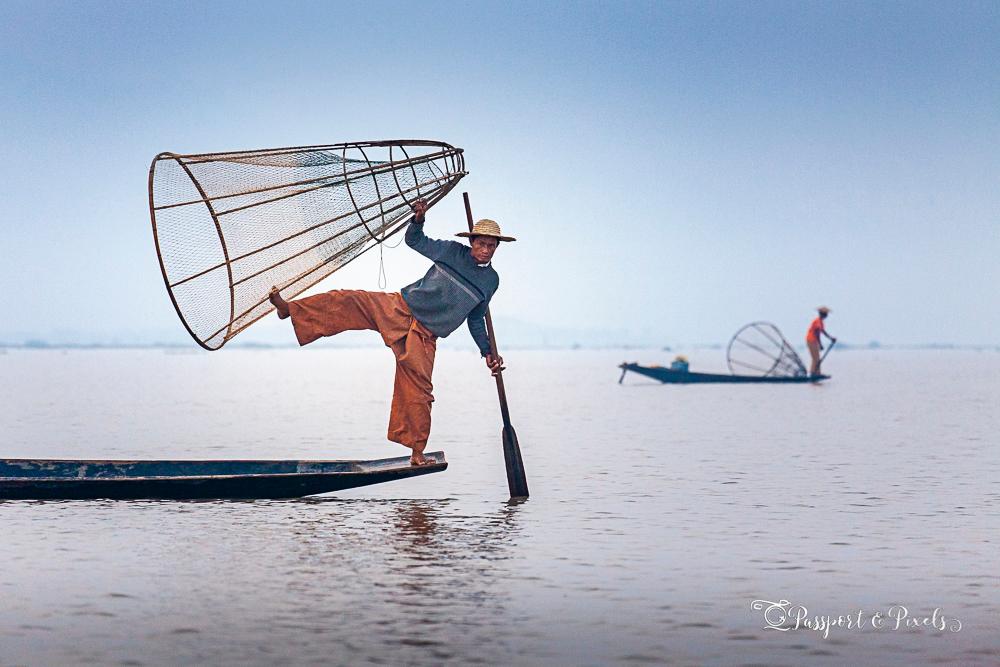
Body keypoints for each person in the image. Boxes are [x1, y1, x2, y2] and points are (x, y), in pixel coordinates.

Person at [268, 198, 515, 466]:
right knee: (349, 299)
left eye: (491, 245)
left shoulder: (491, 281)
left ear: (497, 248)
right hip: (400, 308)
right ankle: (290, 310)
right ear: (472, 242)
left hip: (425, 336)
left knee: (420, 393)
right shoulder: (452, 252)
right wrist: (418, 219)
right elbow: (415, 241)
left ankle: (417, 453)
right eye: (481, 243)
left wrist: (487, 351)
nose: (485, 249)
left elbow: (476, 319)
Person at [806, 306, 836, 376]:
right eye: (825, 314)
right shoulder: (817, 321)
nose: (826, 316)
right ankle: (812, 373)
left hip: (814, 340)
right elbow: (817, 334)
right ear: (822, 314)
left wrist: (830, 338)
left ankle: (817, 373)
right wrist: (820, 344)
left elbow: (822, 331)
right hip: (811, 340)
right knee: (815, 358)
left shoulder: (820, 322)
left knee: (817, 358)